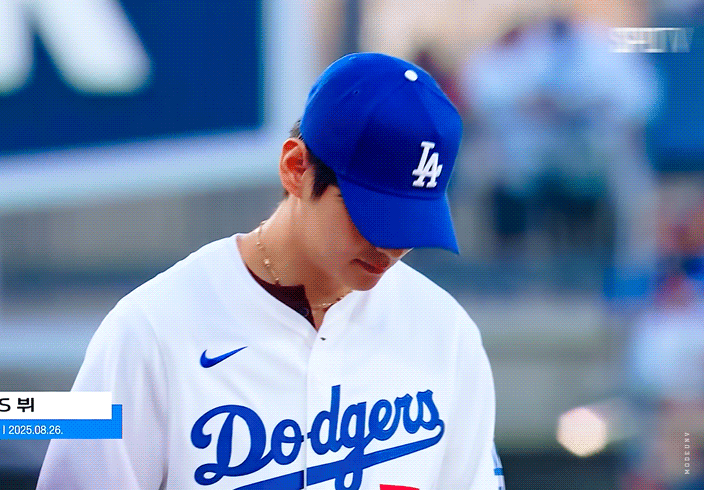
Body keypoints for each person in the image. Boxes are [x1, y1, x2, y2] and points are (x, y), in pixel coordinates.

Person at [37, 52, 504, 489]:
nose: (392, 246)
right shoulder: (150, 329)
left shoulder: (446, 332)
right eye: (374, 216)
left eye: (413, 223)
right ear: (296, 168)